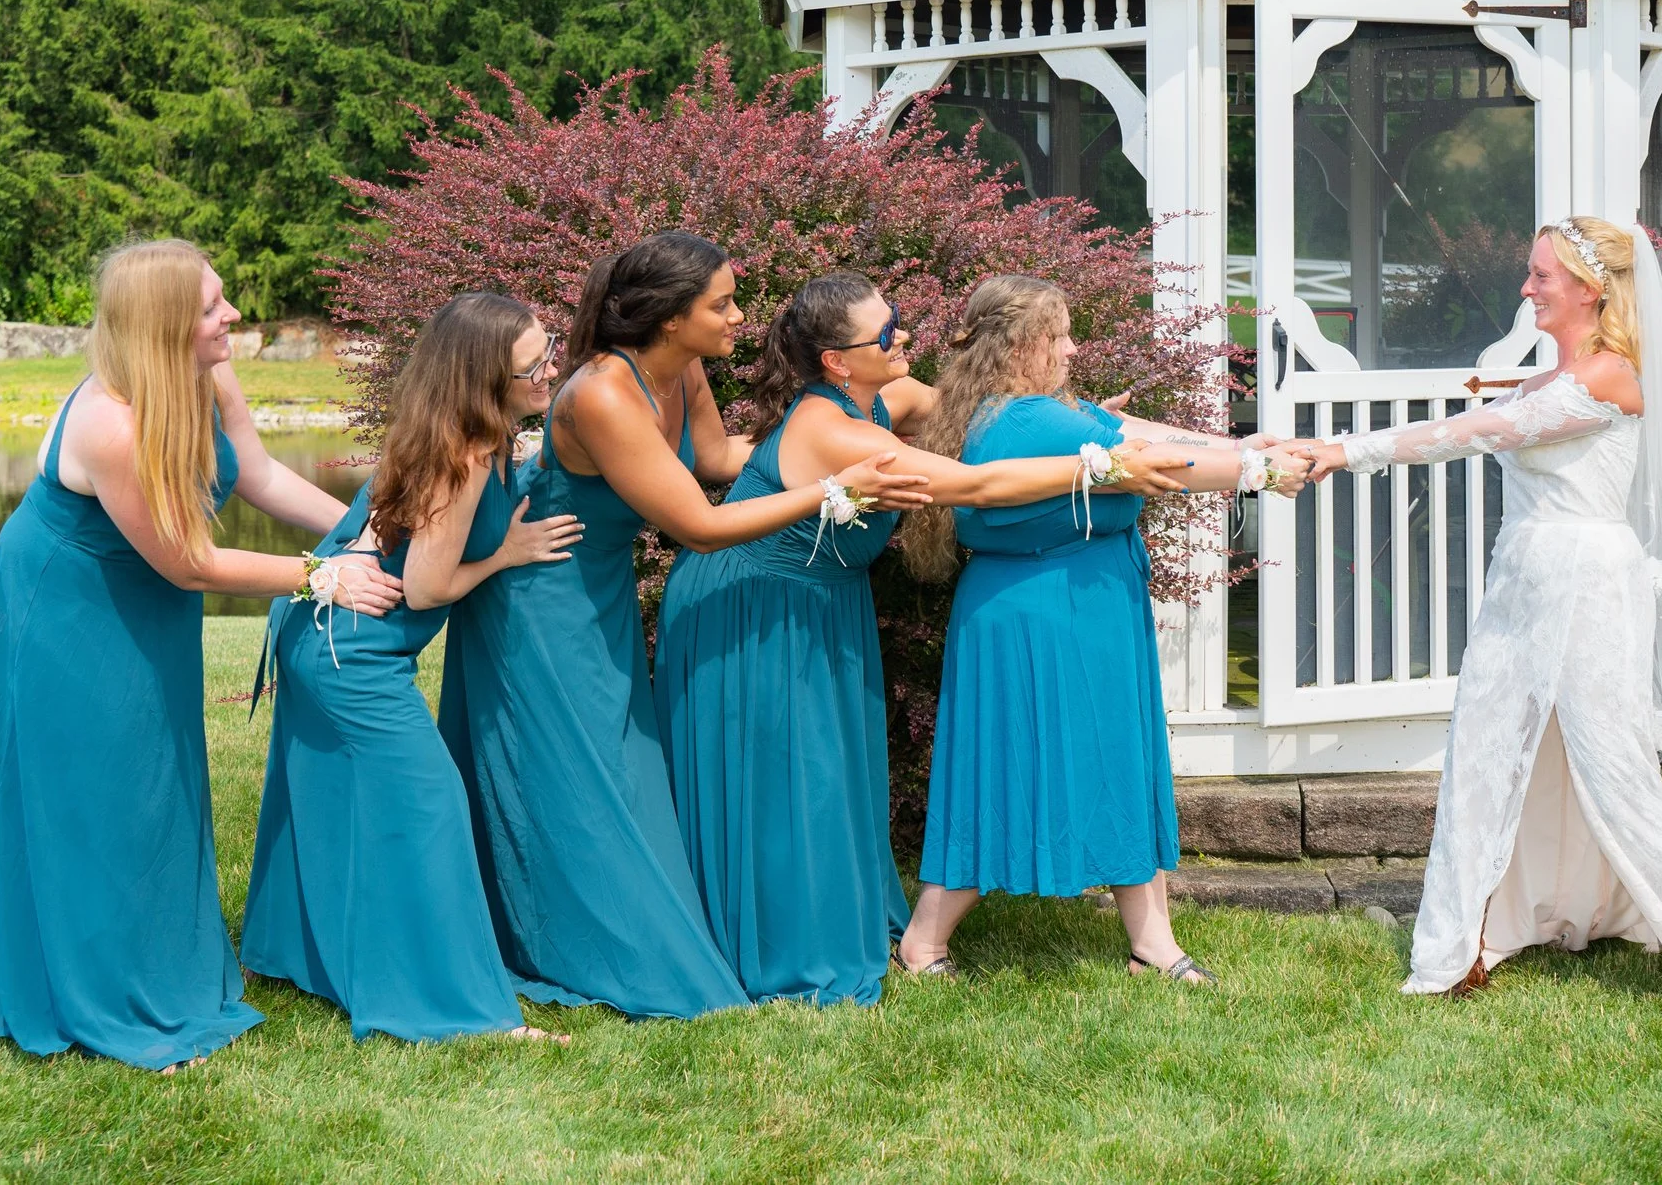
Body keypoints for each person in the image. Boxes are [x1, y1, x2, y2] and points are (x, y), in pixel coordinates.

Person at [1295, 216, 1662, 1005]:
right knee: (1490, 750)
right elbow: (1490, 411)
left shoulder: (1608, 376)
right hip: (1525, 578)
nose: (1527, 288)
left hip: (1586, 581)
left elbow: (1473, 432)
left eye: (1542, 275)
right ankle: (1471, 933)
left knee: (1613, 767)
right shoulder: (1548, 379)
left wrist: (1345, 450)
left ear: (1591, 289)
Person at [0, 239, 404, 1071]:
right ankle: (104, 991)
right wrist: (324, 575)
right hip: (71, 603)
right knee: (94, 787)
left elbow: (253, 471)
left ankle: (167, 962)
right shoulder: (111, 423)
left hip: (146, 597)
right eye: (214, 306)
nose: (233, 315)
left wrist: (365, 533)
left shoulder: (207, 371)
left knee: (156, 775)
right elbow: (190, 560)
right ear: (167, 324)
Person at [654, 272, 1196, 1006]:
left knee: (825, 774)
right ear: (838, 361)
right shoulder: (835, 429)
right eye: (886, 333)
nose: (905, 336)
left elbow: (993, 422)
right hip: (752, 601)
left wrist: (1087, 423)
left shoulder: (886, 399)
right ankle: (772, 942)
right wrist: (1098, 462)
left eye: (899, 320)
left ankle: (837, 922)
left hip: (820, 601)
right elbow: (976, 484)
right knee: (783, 780)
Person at [437, 231, 931, 1019]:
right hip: (541, 592)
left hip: (597, 583)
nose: (740, 316)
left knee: (627, 774)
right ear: (669, 319)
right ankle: (573, 943)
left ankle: (630, 929)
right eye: (721, 304)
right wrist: (834, 487)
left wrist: (812, 447)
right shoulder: (602, 392)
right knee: (588, 778)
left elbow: (715, 458)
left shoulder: (683, 368)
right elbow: (699, 526)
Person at [893, 275, 1310, 985]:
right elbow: (1151, 461)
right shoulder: (1032, 421)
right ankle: (924, 941)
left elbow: (1134, 432)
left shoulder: (1021, 408)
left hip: (1072, 608)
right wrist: (1255, 469)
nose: (1072, 347)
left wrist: (1240, 443)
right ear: (1023, 345)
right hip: (1050, 616)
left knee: (1112, 760)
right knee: (1015, 768)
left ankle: (1153, 941)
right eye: (1059, 335)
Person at [241, 291, 580, 1044]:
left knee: (330, 791)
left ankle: (292, 953)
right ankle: (458, 1009)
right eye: (536, 360)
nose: (552, 363)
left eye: (550, 343)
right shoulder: (462, 455)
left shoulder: (463, 434)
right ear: (487, 378)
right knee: (429, 803)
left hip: (322, 630)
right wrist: (507, 552)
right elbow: (427, 587)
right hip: (349, 651)